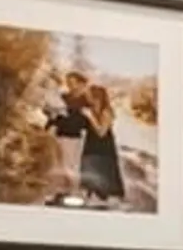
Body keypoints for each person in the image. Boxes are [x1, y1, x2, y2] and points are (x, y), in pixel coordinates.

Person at [76, 80, 125, 208]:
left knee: (103, 170)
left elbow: (101, 132)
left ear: (96, 96)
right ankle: (91, 195)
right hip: (91, 144)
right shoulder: (91, 109)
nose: (87, 97)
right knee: (89, 168)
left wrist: (90, 117)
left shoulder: (106, 111)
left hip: (103, 146)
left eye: (89, 94)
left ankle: (104, 198)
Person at [47, 74, 92, 204]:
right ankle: (60, 191)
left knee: (71, 164)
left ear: (81, 83)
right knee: (58, 164)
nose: (70, 85)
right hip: (59, 133)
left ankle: (74, 192)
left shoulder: (85, 100)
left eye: (73, 82)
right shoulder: (63, 97)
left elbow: (87, 120)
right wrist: (50, 120)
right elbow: (54, 115)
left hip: (74, 135)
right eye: (68, 82)